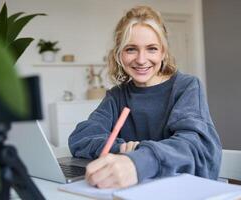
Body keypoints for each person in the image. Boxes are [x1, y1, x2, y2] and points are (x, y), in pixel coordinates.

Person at [68, 5, 222, 189]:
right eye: (131, 49)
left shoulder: (186, 86)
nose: (141, 60)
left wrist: (138, 160)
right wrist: (121, 148)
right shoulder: (117, 95)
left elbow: (195, 145)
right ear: (119, 53)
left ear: (163, 52)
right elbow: (81, 137)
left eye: (152, 49)